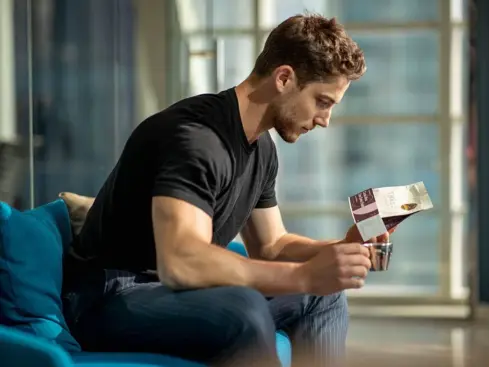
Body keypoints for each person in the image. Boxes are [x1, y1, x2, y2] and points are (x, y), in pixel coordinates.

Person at [62, 13, 390, 367]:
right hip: (110, 299)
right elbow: (180, 262)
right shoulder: (195, 138)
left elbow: (272, 246)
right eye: (322, 101)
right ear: (284, 78)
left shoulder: (262, 149)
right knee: (242, 306)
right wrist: (303, 274)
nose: (325, 119)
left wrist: (344, 248)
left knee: (323, 296)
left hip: (176, 293)